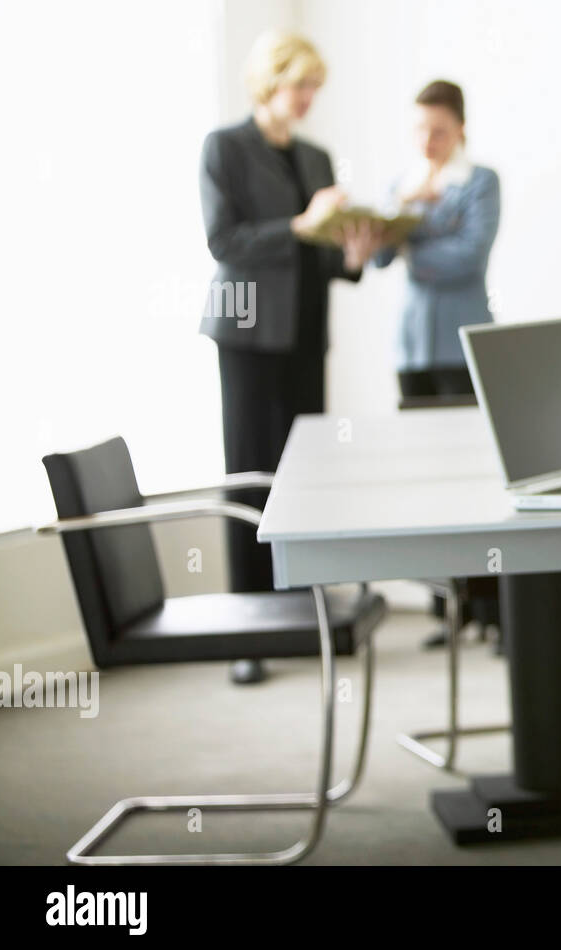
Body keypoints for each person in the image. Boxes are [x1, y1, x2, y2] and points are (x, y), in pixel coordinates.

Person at [199, 32, 383, 684]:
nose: (308, 99)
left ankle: (296, 609)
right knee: (251, 474)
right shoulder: (227, 147)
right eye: (300, 85)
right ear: (270, 81)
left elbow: (323, 251)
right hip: (248, 334)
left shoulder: (315, 155)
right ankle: (247, 630)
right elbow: (225, 241)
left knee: (302, 473)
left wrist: (352, 255)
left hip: (305, 329)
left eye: (314, 88)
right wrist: (303, 225)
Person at [373, 79, 503, 643]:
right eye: (420, 129)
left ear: (461, 130)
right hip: (414, 348)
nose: (428, 139)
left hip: (463, 344)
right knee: (428, 477)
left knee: (478, 473)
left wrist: (411, 241)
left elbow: (469, 256)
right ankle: (449, 610)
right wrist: (401, 215)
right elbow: (376, 253)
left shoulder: (480, 181)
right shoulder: (400, 186)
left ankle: (494, 612)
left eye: (440, 130)